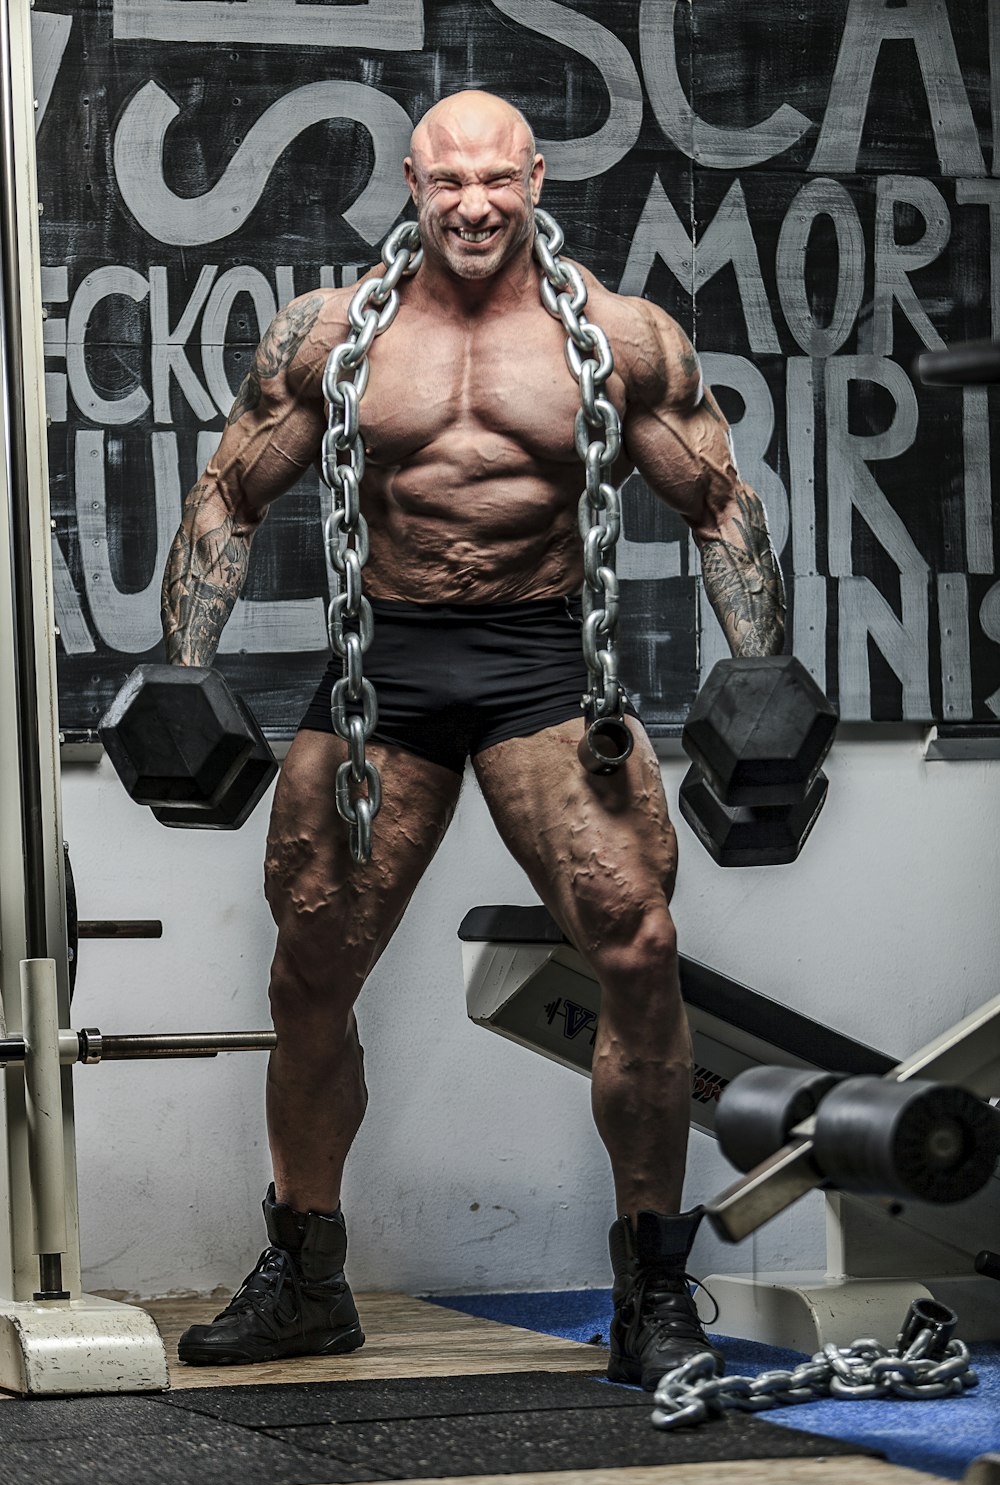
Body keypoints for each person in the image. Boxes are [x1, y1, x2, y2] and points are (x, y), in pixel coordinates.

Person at [163, 90, 784, 1390]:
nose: (475, 204)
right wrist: (186, 669)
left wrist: (760, 670)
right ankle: (309, 1278)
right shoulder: (333, 334)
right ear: (411, 182)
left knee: (641, 942)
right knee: (308, 969)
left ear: (538, 178)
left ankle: (653, 1291)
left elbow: (719, 502)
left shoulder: (615, 339)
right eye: (449, 181)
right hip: (383, 661)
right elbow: (231, 486)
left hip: (543, 663)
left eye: (497, 178)